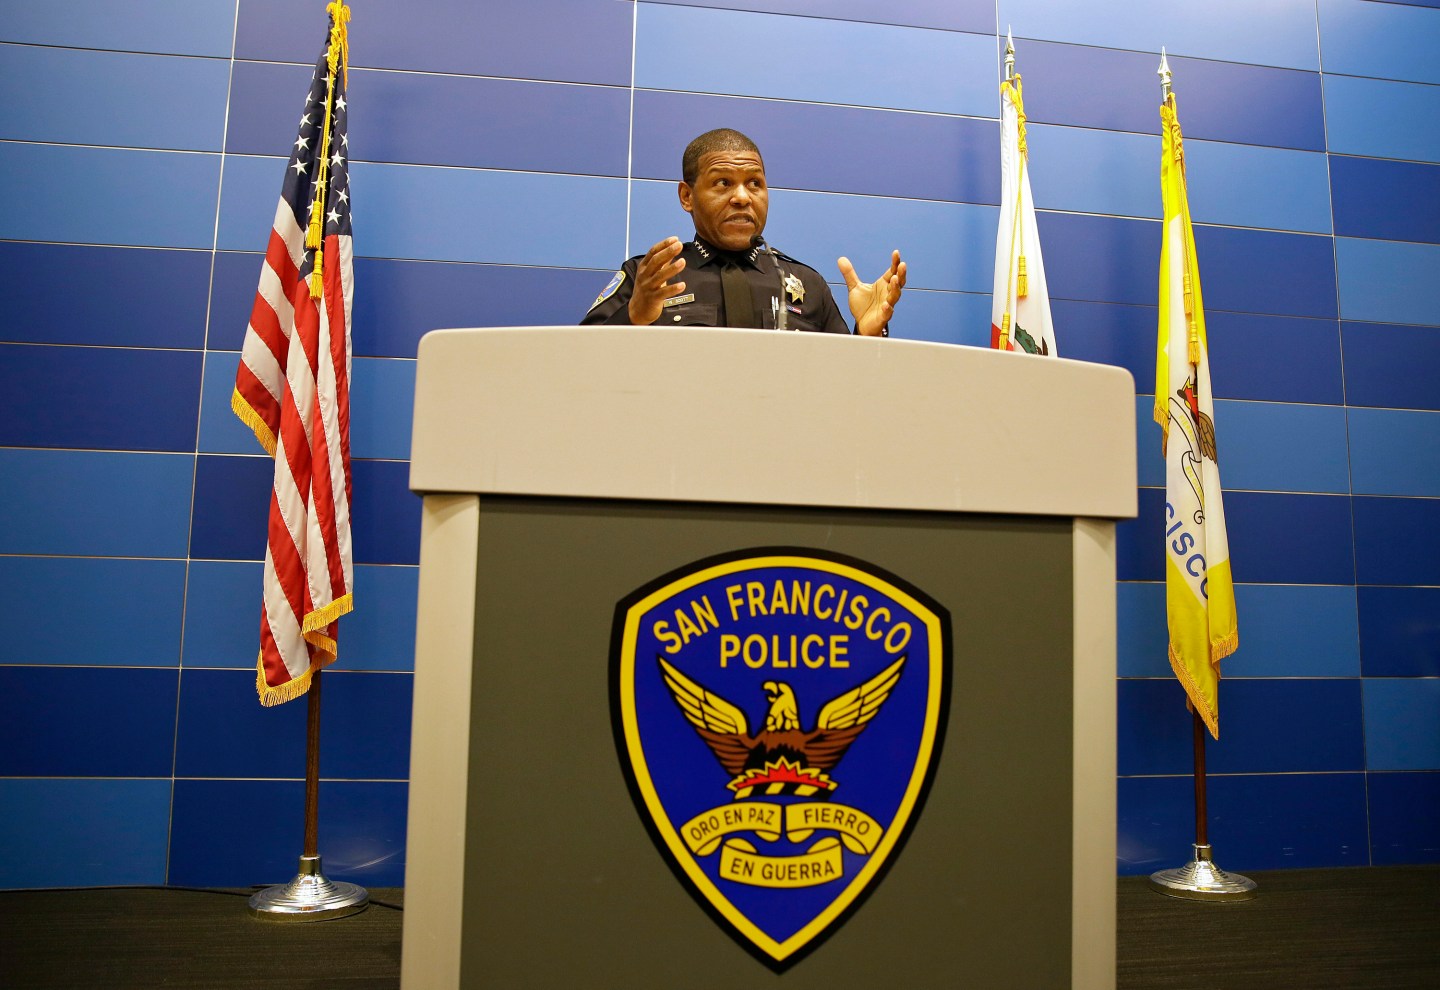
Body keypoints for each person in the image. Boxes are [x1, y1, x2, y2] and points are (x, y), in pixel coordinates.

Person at [581, 128, 905, 336]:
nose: (742, 197)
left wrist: (868, 333)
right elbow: (580, 368)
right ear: (687, 196)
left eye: (755, 183)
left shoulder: (807, 285)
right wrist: (634, 315)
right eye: (723, 183)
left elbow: (846, 386)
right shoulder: (650, 277)